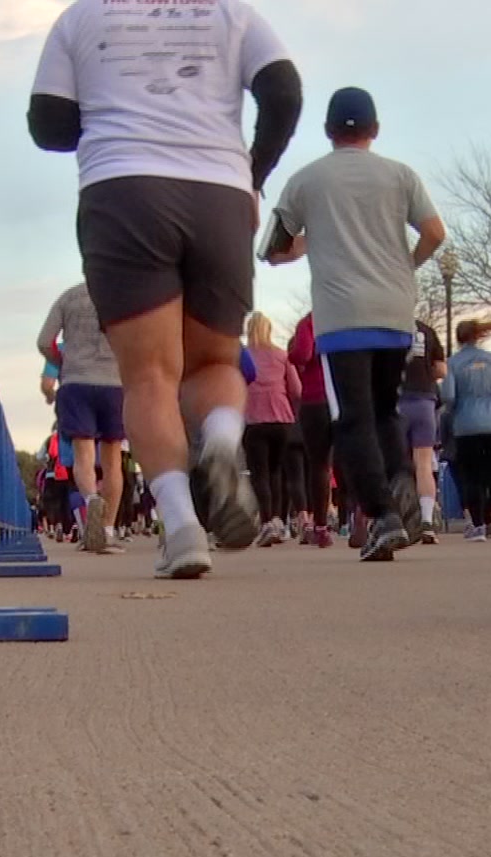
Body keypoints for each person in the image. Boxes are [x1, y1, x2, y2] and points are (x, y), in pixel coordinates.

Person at [28, 0, 303, 580]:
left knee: (150, 375)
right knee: (212, 362)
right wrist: (251, 175)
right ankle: (224, 446)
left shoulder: (80, 18)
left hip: (123, 188)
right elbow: (283, 91)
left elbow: (47, 122)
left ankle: (181, 528)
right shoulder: (233, 13)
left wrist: (113, 112)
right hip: (219, 194)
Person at [263, 87, 448, 562]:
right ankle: (402, 480)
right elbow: (435, 233)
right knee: (386, 410)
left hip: (341, 315)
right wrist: (409, 264)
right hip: (395, 309)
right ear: (376, 130)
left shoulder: (307, 181)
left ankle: (383, 516)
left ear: (327, 131)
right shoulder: (401, 175)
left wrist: (307, 244)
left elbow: (272, 247)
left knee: (353, 418)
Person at [38, 281, 126, 554]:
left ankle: (90, 500)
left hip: (76, 381)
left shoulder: (68, 297)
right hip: (115, 382)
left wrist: (61, 362)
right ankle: (109, 530)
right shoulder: (125, 293)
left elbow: (44, 341)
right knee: (112, 461)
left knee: (83, 456)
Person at [441, 320, 491, 542]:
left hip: (466, 426)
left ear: (458, 338)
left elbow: (449, 396)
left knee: (471, 477)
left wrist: (452, 412)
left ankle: (479, 525)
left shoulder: (452, 363)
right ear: (477, 336)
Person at [242, 313, 302, 546]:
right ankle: (278, 520)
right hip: (282, 419)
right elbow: (296, 389)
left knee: (260, 474)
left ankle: (266, 521)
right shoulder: (282, 355)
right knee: (277, 472)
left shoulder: (244, 356)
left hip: (254, 419)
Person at [287, 313, 335, 547]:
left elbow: (301, 354)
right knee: (352, 459)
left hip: (316, 399)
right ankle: (362, 517)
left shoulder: (309, 322)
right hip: (346, 395)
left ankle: (321, 527)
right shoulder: (346, 318)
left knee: (319, 464)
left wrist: (294, 352)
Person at [398, 319, 448, 543]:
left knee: (396, 465)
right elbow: (441, 369)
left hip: (395, 401)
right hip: (424, 400)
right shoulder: (427, 330)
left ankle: (399, 520)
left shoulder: (388, 326)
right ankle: (427, 521)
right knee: (425, 464)